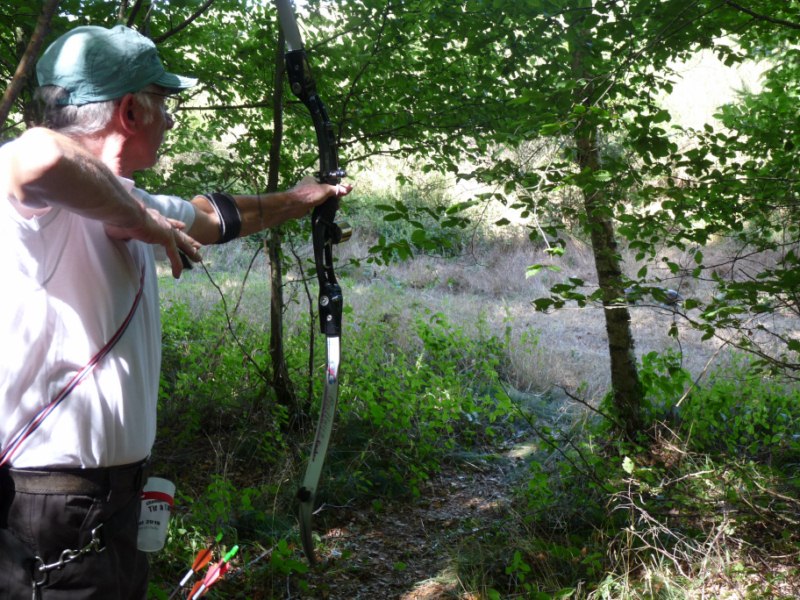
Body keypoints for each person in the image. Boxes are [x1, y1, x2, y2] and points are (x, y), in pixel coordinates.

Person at [0, 24, 351, 599]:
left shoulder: (124, 195)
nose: (169, 120)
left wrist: (302, 198)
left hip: (108, 501)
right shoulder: (34, 202)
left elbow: (212, 218)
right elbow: (37, 154)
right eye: (162, 103)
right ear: (129, 112)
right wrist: (143, 222)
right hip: (49, 504)